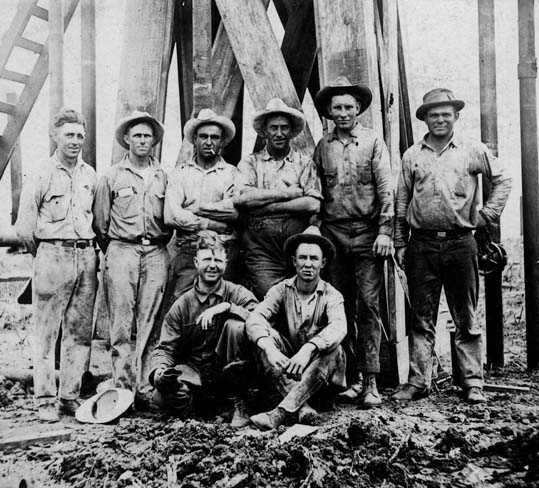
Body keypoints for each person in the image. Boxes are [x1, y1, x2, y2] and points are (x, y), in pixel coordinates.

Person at [392, 88, 512, 404]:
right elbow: (402, 199)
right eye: (434, 114)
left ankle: (473, 382)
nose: (441, 119)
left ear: (456, 117)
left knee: (466, 317)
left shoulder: (472, 151)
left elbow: (503, 179)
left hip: (462, 244)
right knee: (421, 317)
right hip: (422, 246)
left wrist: (488, 215)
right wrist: (399, 242)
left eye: (446, 114)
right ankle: (419, 382)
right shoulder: (412, 156)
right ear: (425, 119)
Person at [312, 77, 394, 407]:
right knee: (337, 307)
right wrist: (315, 231)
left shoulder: (373, 142)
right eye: (337, 108)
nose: (343, 113)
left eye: (348, 107)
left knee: (369, 307)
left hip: (366, 235)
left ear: (358, 108)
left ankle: (371, 382)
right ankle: (346, 379)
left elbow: (386, 190)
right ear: (329, 112)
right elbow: (316, 193)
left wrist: (386, 231)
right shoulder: (323, 146)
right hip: (333, 236)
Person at [16, 108, 97, 421]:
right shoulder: (41, 173)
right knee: (47, 333)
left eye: (79, 135)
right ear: (55, 136)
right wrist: (47, 253)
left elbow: (96, 219)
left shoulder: (90, 175)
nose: (75, 141)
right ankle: (45, 400)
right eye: (69, 135)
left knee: (79, 334)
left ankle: (69, 397)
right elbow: (24, 227)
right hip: (53, 255)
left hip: (87, 258)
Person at [92, 111, 171, 409]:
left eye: (147, 136)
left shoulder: (163, 176)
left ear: (154, 141)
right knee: (122, 324)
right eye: (136, 135)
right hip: (122, 250)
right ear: (126, 139)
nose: (142, 140)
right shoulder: (112, 176)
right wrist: (115, 249)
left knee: (150, 322)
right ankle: (122, 389)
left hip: (156, 252)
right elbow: (100, 224)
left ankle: (144, 388)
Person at [149, 231, 259, 426]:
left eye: (218, 260)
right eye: (207, 259)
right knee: (161, 396)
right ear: (196, 262)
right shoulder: (182, 305)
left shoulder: (237, 293)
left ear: (225, 263)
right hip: (196, 373)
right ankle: (199, 414)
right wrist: (160, 371)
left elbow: (261, 319)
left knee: (235, 326)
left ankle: (238, 405)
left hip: (229, 375)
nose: (212, 265)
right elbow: (165, 348)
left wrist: (228, 307)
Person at [246, 226, 347, 430]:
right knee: (265, 339)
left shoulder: (331, 295)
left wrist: (309, 348)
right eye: (302, 258)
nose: (308, 264)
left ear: (323, 263)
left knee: (335, 349)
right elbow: (255, 317)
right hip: (290, 373)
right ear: (294, 261)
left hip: (322, 381)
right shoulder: (282, 289)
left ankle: (279, 413)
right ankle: (302, 408)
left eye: (313, 258)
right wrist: (269, 348)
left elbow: (339, 326)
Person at [235, 98, 322, 299]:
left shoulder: (304, 163)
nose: (279, 133)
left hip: (297, 249)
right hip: (261, 250)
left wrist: (266, 207)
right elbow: (243, 199)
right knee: (270, 298)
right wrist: (287, 194)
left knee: (300, 299)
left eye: (284, 128)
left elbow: (312, 203)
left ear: (291, 131)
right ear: (264, 131)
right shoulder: (250, 163)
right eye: (274, 128)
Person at [164, 109, 240, 300]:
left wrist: (195, 210)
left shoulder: (232, 174)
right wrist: (211, 223)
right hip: (188, 249)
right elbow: (172, 215)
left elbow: (234, 213)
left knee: (220, 303)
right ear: (194, 140)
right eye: (203, 137)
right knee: (184, 302)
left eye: (214, 137)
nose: (208, 142)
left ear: (222, 142)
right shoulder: (180, 173)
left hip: (222, 249)